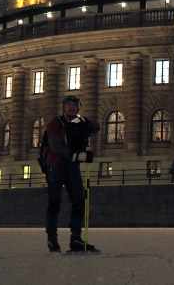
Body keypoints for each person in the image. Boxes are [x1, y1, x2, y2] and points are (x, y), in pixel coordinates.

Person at [44, 95, 100, 252]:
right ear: (64, 107)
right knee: (54, 202)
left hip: (72, 166)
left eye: (74, 105)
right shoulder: (56, 122)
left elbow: (96, 127)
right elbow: (55, 145)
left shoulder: (78, 123)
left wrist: (86, 123)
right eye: (68, 104)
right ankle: (52, 238)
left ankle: (76, 238)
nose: (71, 107)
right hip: (56, 164)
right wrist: (76, 156)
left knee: (79, 201)